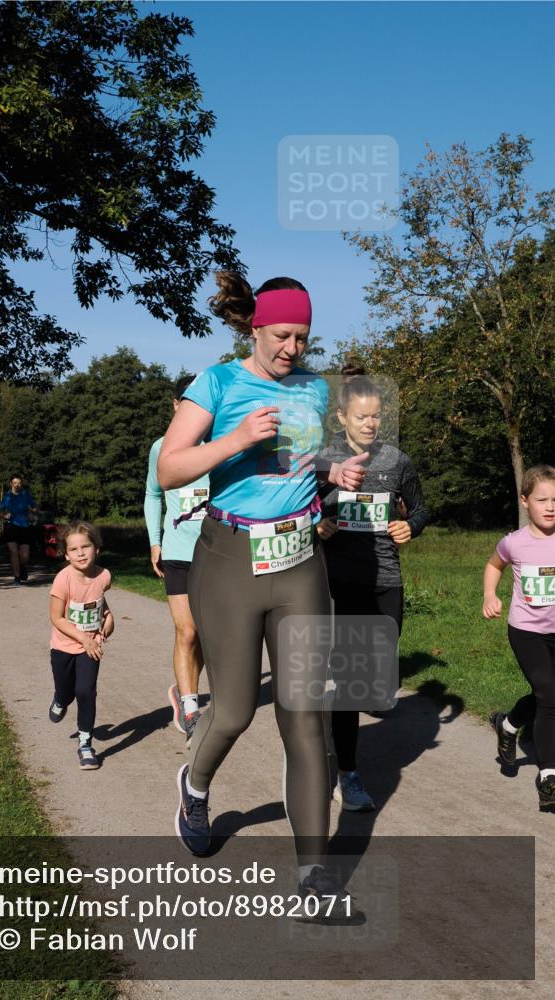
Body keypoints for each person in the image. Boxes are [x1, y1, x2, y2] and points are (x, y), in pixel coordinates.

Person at [158, 271, 368, 922]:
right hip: (230, 559)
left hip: (300, 561)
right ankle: (195, 787)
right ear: (256, 329)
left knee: (305, 717)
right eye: (281, 335)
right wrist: (235, 440)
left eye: (302, 337)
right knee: (235, 709)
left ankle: (314, 875)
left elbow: (302, 460)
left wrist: (334, 469)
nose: (291, 349)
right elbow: (169, 467)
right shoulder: (217, 383)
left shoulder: (313, 388)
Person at [317, 365, 429, 811]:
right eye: (361, 416)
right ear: (342, 417)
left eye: (376, 416)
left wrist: (409, 527)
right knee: (351, 678)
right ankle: (347, 772)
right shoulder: (324, 460)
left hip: (386, 579)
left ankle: (332, 730)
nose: (369, 424)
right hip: (340, 579)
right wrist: (317, 524)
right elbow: (296, 509)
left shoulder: (397, 461)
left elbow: (420, 510)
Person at [483, 464, 555, 812]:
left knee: (549, 695)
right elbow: (493, 565)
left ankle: (508, 724)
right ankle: (549, 777)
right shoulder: (514, 542)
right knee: (549, 694)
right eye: (542, 500)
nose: (550, 507)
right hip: (527, 631)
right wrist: (489, 595)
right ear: (525, 501)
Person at [145, 374, 209, 745]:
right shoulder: (161, 448)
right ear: (175, 404)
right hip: (178, 551)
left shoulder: (219, 445)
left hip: (216, 553)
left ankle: (186, 691)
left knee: (207, 633)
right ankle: (189, 706)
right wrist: (155, 542)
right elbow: (153, 495)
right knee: (187, 631)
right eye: (189, 400)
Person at [49, 522, 114, 770]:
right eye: (73, 549)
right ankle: (59, 700)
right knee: (67, 692)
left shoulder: (104, 576)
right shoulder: (62, 580)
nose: (81, 553)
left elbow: (100, 604)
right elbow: (56, 618)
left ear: (96, 548)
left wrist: (108, 620)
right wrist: (83, 638)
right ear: (66, 555)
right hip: (63, 647)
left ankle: (86, 744)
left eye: (85, 547)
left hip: (91, 648)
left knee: (86, 692)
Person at [0, 474, 38, 585]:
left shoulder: (25, 494)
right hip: (11, 526)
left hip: (24, 526)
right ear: (11, 484)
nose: (17, 485)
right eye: (15, 483)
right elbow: (0, 511)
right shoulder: (7, 496)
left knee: (25, 556)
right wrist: (4, 516)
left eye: (19, 483)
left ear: (21, 484)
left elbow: (35, 507)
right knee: (14, 552)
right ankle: (17, 577)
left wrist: (33, 514)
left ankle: (22, 566)